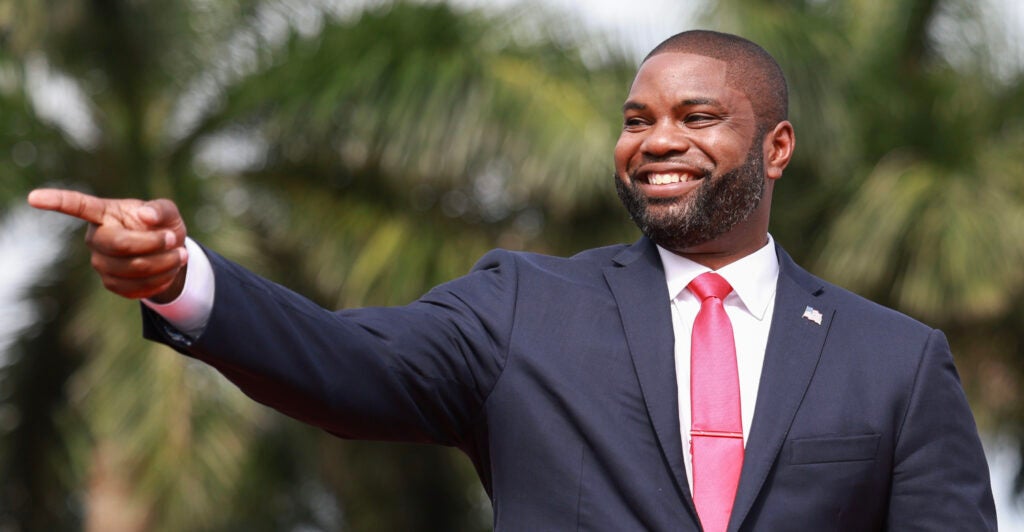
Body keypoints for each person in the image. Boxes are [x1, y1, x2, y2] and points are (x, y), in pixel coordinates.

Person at [27, 30, 996, 531]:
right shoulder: (524, 310)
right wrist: (181, 276)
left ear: (774, 147)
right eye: (634, 118)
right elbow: (340, 364)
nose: (655, 139)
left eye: (696, 117)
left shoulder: (895, 364)